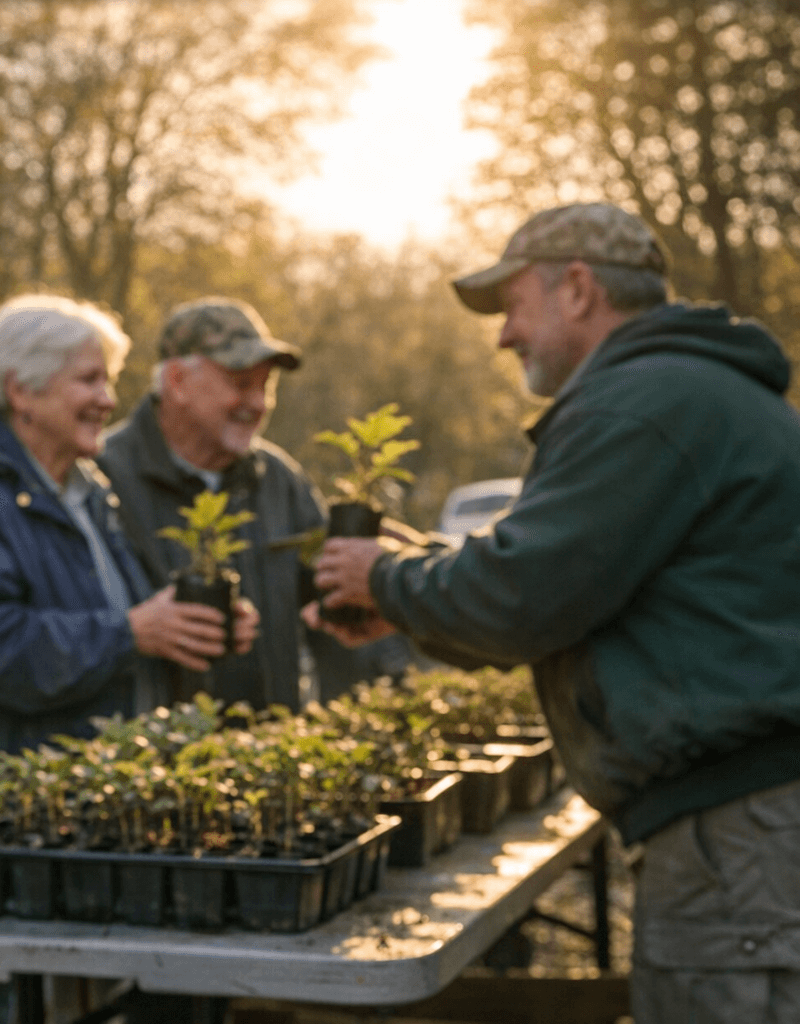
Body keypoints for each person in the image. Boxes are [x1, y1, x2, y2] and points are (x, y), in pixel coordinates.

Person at [309, 202, 800, 1022]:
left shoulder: (642, 404)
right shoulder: (692, 392)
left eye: (512, 306)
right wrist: (409, 596)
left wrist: (387, 580)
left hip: (738, 840)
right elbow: (569, 592)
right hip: (749, 829)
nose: (504, 336)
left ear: (577, 288)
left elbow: (521, 597)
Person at [0, 294, 259, 1024]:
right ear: (22, 390)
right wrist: (132, 633)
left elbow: (118, 619)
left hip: (46, 814)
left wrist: (187, 628)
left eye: (107, 380)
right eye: (89, 380)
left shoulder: (84, 492)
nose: (107, 400)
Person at [99, 296, 368, 711]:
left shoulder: (280, 480)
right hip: (152, 762)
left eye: (267, 386)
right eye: (241, 384)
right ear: (177, 382)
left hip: (268, 756)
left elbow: (331, 617)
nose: (258, 404)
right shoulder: (103, 477)